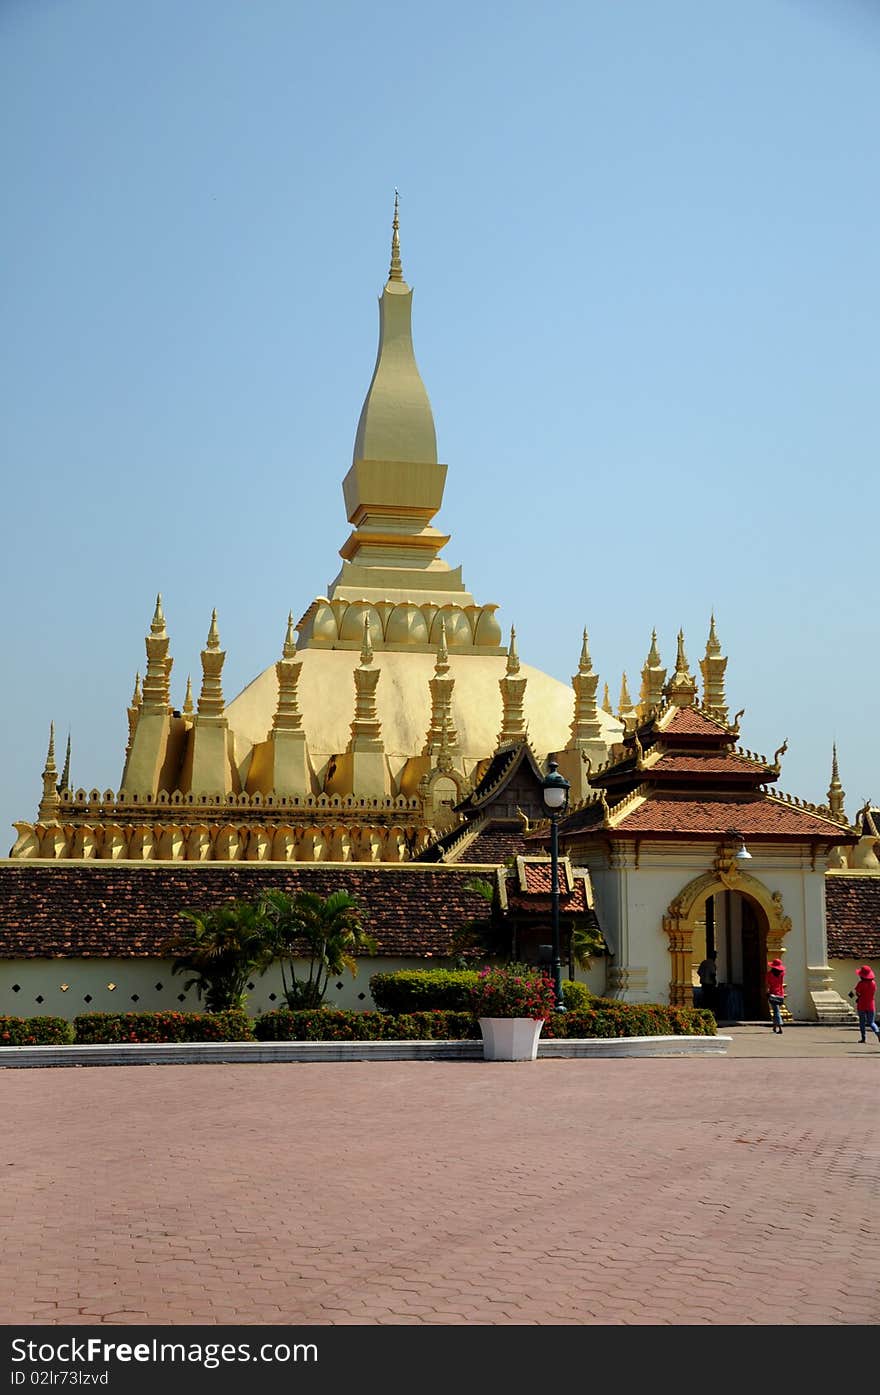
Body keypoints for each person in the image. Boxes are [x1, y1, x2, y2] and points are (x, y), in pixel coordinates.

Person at [848, 966, 880, 1046]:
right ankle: (878, 1033)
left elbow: (857, 993)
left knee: (862, 1021)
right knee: (871, 1022)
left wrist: (853, 995)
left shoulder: (861, 984)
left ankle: (863, 1038)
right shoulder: (873, 983)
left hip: (862, 1004)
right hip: (871, 1004)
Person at [766, 957, 785, 1033]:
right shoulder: (782, 973)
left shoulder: (769, 974)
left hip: (773, 994)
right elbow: (782, 971)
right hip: (780, 994)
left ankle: (780, 1027)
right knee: (776, 1010)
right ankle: (774, 1027)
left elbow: (768, 984)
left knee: (776, 1011)